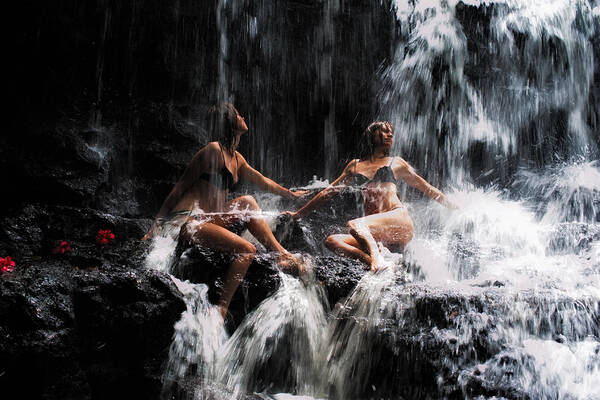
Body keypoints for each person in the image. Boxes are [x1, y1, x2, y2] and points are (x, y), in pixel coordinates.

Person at [143, 103, 307, 318]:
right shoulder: (213, 150)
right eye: (238, 114)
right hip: (187, 222)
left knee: (247, 201)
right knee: (247, 249)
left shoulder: (237, 158)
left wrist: (291, 194)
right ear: (229, 121)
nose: (243, 116)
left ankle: (280, 254)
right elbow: (180, 187)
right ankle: (221, 309)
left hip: (210, 219)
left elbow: (262, 180)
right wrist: (156, 224)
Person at [285, 121, 455, 271]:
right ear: (371, 135)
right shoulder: (355, 165)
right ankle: (375, 262)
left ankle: (376, 258)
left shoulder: (396, 162)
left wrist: (455, 207)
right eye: (384, 131)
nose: (390, 134)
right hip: (375, 232)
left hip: (398, 220)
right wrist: (297, 214)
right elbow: (327, 193)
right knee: (332, 241)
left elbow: (426, 188)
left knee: (354, 225)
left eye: (391, 132)